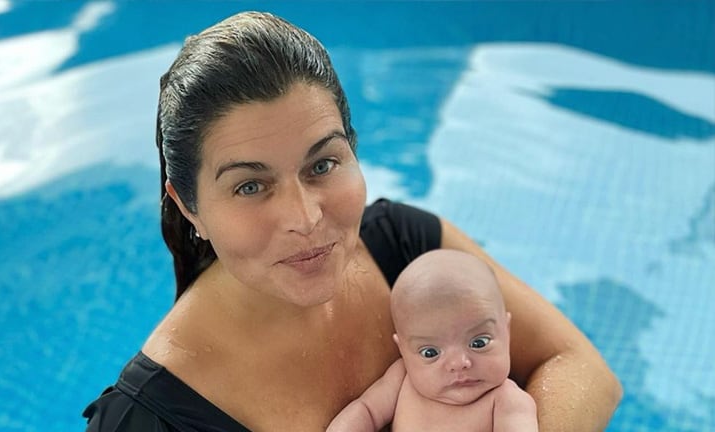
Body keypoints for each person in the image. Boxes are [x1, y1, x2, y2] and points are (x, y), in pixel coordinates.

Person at [82, 11, 622, 432]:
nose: (305, 217)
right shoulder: (148, 420)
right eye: (250, 185)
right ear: (188, 206)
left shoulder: (409, 250)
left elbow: (582, 368)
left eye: (322, 164)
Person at [326, 249, 538, 432]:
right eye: (430, 353)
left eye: (479, 343)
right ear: (404, 351)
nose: (459, 364)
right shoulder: (402, 380)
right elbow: (366, 411)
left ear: (506, 332)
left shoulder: (507, 402)